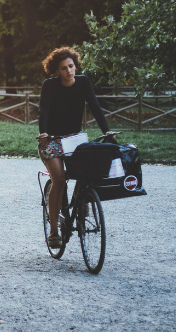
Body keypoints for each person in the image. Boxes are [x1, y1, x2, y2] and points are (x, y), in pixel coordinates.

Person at [37, 47, 115, 249]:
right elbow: (43, 111)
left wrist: (107, 131)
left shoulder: (84, 82)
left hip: (74, 139)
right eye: (63, 68)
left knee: (89, 169)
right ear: (57, 70)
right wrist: (43, 133)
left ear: (76, 66)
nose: (68, 71)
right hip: (52, 140)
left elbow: (96, 107)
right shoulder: (50, 85)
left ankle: (84, 199)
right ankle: (54, 230)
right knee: (60, 179)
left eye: (71, 66)